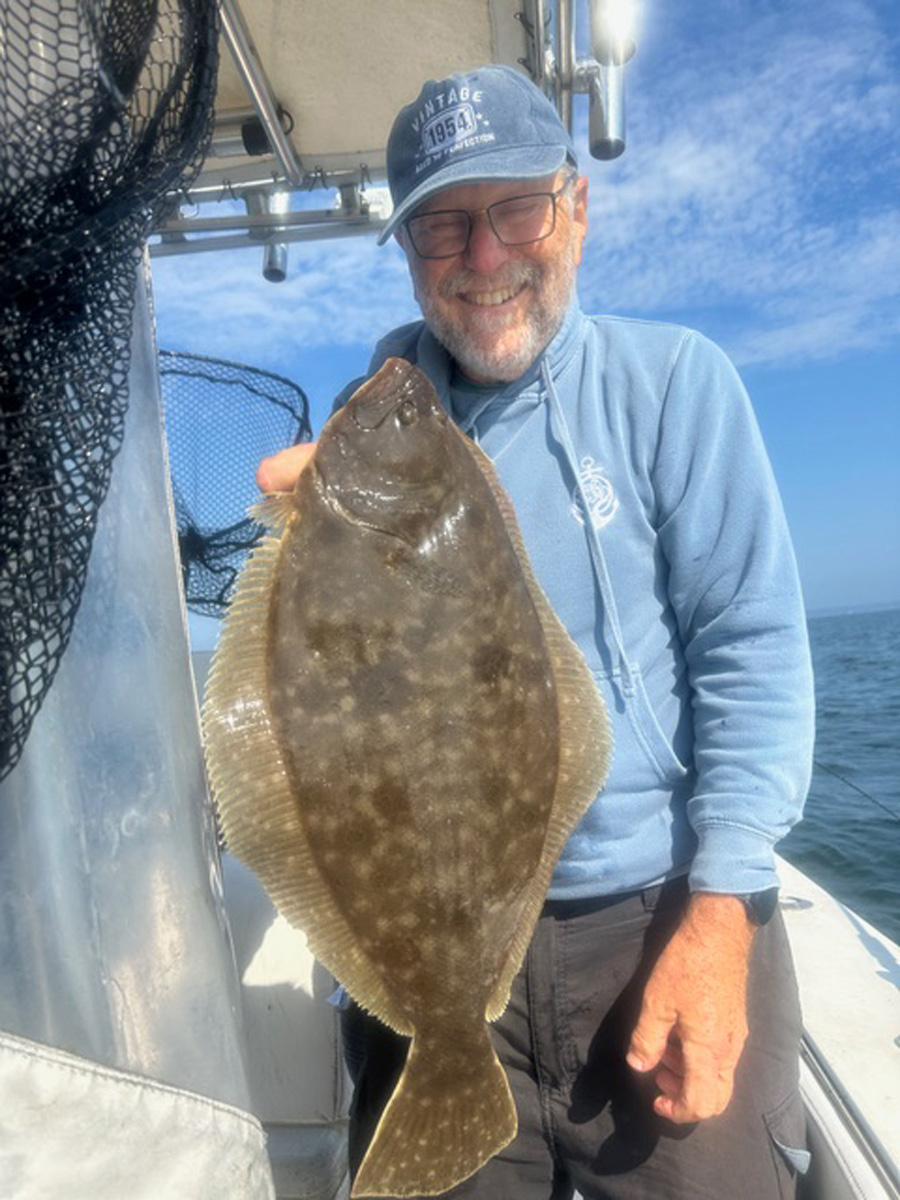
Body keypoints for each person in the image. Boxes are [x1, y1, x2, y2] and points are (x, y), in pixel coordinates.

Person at [258, 65, 815, 1200]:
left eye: (516, 209)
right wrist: (296, 548)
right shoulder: (371, 430)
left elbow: (748, 647)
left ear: (577, 207)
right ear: (409, 251)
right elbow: (313, 710)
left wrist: (722, 913)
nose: (484, 256)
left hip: (658, 921)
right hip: (431, 951)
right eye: (443, 227)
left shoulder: (674, 385)